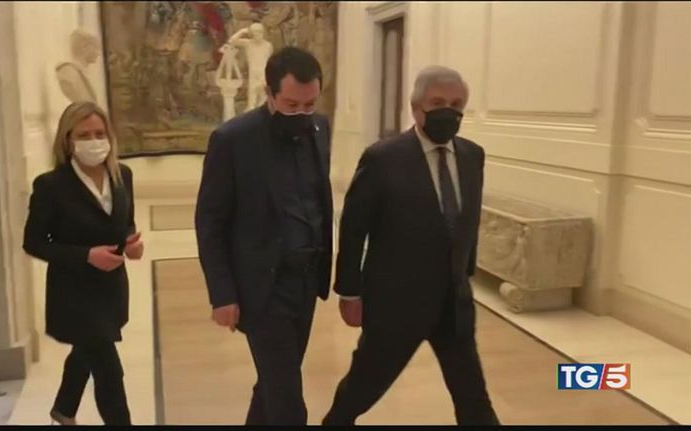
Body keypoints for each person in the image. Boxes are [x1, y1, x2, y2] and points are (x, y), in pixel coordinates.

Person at [322, 66, 500, 425]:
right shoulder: (383, 158)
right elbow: (354, 228)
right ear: (416, 107)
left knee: (472, 394)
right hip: (396, 304)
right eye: (438, 102)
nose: (448, 111)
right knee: (364, 386)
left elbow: (468, 219)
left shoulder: (472, 156)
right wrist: (349, 292)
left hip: (454, 302)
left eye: (456, 104)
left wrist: (465, 274)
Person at [195, 46, 333, 425]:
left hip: (306, 280)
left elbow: (318, 199)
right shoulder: (233, 139)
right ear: (269, 93)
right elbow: (210, 221)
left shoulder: (320, 128)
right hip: (263, 286)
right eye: (292, 105)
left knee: (274, 382)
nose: (302, 114)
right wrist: (222, 293)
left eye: (310, 104)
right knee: (288, 401)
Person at [23, 101, 143, 426]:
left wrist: (130, 243)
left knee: (86, 351)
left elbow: (125, 223)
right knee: (108, 369)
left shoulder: (122, 176)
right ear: (68, 140)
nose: (94, 141)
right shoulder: (51, 186)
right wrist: (86, 255)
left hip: (111, 289)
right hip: (74, 293)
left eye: (100, 133)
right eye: (84, 135)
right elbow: (34, 242)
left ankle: (64, 409)